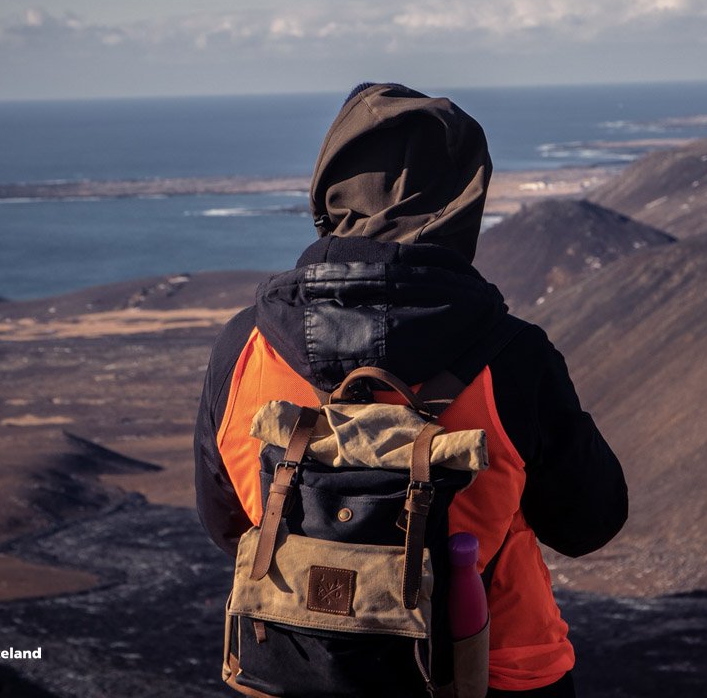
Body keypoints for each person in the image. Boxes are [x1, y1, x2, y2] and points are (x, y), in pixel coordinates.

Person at [194, 82, 628, 696]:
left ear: (329, 188)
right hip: (489, 672)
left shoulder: (244, 347)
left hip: (289, 668)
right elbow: (590, 523)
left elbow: (225, 524)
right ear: (462, 201)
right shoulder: (513, 357)